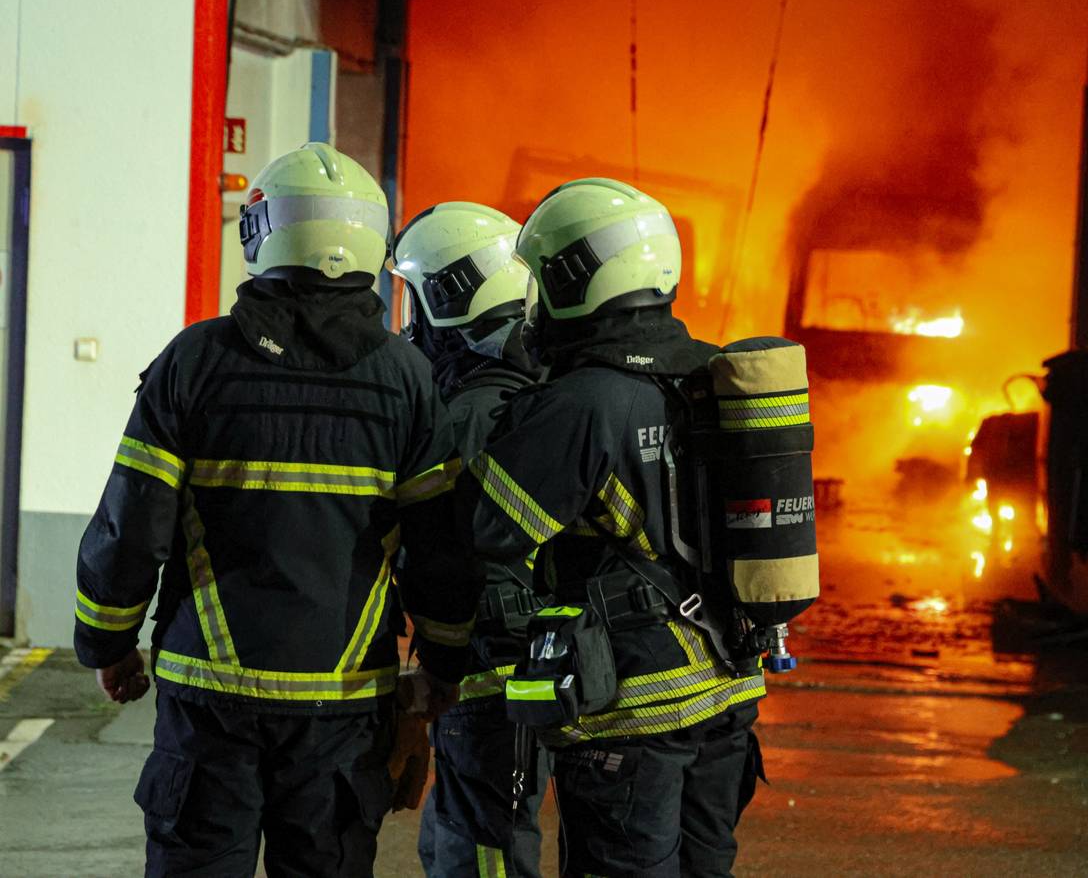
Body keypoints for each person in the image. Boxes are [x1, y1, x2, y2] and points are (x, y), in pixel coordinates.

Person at [74, 142, 478, 877]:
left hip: (210, 703)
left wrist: (107, 642)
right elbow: (440, 548)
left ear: (263, 235)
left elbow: (131, 525)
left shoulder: (194, 362)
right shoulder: (410, 379)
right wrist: (443, 665)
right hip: (346, 706)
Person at [457, 178, 767, 878]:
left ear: (577, 279)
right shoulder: (712, 371)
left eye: (541, 280)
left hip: (637, 709)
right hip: (730, 691)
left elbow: (490, 527)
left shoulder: (581, 401)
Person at [388, 202, 548, 877]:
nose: (406, 322)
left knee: (478, 847)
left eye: (415, 300)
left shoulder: (470, 412)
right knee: (470, 835)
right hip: (522, 663)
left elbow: (442, 556)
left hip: (486, 669)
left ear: (449, 298)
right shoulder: (535, 384)